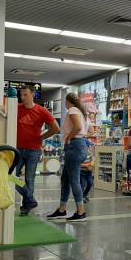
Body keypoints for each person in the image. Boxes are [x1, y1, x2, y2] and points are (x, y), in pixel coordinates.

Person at [16, 85, 60, 216]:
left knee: (30, 179)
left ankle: (26, 206)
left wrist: (42, 137)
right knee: (10, 177)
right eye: (21, 95)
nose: (22, 97)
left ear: (33, 95)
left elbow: (55, 128)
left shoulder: (42, 111)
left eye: (25, 95)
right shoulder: (17, 108)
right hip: (17, 149)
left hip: (33, 151)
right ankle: (30, 199)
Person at [47, 93, 89, 221]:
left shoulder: (73, 110)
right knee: (65, 179)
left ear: (67, 101)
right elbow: (86, 129)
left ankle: (80, 211)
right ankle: (62, 209)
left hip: (74, 146)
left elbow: (78, 127)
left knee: (74, 181)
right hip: (80, 145)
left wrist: (68, 139)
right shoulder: (83, 113)